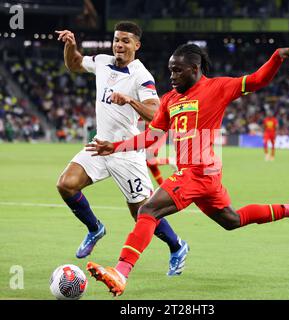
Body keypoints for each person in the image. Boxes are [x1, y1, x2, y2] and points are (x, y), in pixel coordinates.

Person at [85, 44, 289, 296]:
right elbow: (151, 137)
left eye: (177, 71)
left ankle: (121, 272)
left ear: (194, 69)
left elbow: (258, 80)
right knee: (231, 220)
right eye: (170, 71)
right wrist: (115, 146)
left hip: (198, 170)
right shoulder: (170, 100)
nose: (172, 77)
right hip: (204, 176)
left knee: (148, 210)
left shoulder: (218, 87)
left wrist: (276, 56)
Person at [55, 22, 189, 277]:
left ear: (136, 45)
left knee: (142, 213)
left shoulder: (141, 75)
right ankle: (95, 228)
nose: (119, 44)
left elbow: (156, 113)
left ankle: (177, 245)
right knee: (66, 184)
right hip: (100, 144)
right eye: (117, 39)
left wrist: (129, 99)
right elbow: (74, 64)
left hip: (126, 152)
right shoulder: (103, 61)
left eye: (126, 41)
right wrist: (71, 46)